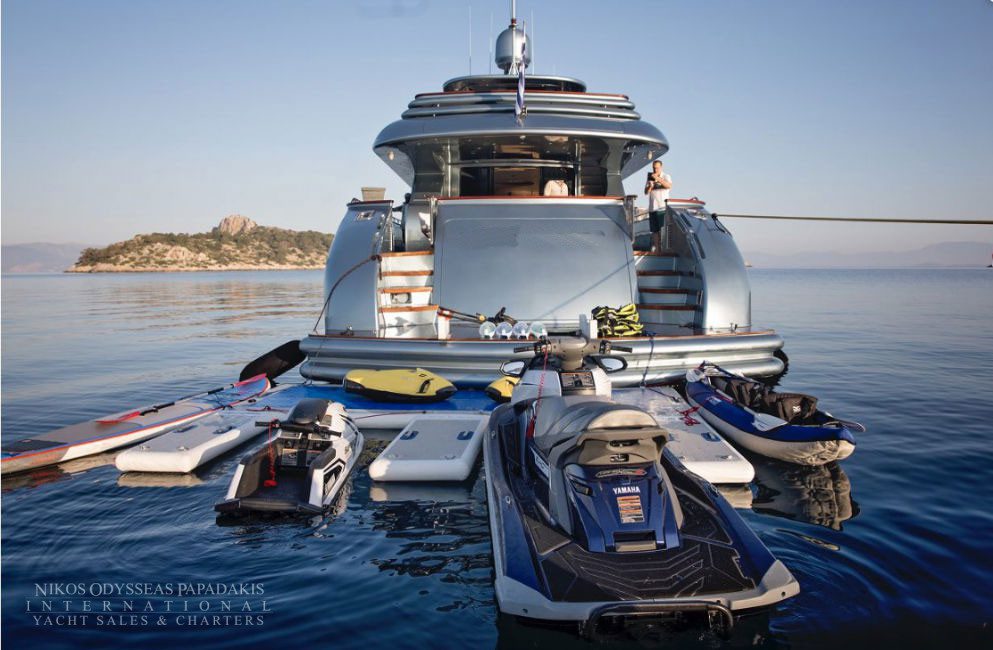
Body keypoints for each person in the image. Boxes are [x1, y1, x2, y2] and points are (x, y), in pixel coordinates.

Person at [643, 160, 672, 253]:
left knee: (662, 230)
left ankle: (664, 251)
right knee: (654, 231)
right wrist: (650, 186)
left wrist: (658, 179)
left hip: (662, 208)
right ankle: (657, 251)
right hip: (652, 208)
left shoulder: (666, 176)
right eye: (654, 168)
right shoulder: (650, 177)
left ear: (661, 167)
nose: (655, 170)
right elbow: (645, 192)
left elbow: (669, 186)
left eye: (657, 168)